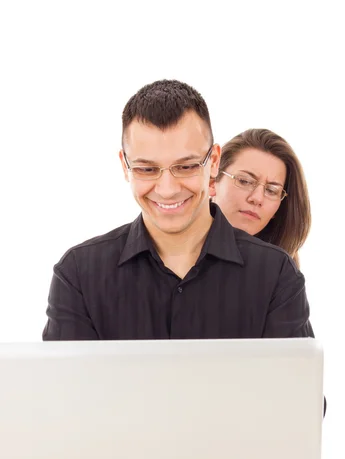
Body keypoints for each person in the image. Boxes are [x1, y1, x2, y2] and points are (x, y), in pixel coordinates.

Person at [42, 79, 314, 344]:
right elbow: (64, 389)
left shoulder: (276, 275)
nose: (168, 189)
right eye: (147, 169)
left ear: (214, 162)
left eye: (186, 167)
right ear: (125, 167)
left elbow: (298, 389)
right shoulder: (78, 274)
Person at [211, 128, 311, 267]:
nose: (257, 198)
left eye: (271, 190)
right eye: (244, 181)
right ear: (212, 181)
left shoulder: (281, 276)